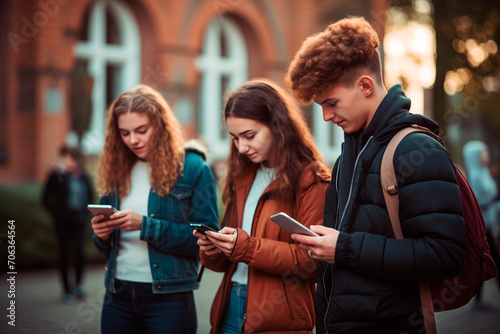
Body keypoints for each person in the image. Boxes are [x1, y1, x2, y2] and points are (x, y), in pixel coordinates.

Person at [286, 16, 466, 333]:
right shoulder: (344, 160)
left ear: (365, 86)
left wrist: (344, 248)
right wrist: (322, 246)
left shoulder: (416, 151)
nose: (326, 117)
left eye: (331, 103)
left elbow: (444, 254)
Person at [193, 78, 331, 334]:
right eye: (234, 138)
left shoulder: (312, 178)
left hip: (278, 317)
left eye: (249, 135)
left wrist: (244, 246)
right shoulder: (241, 175)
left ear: (278, 126)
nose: (241, 147)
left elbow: (313, 261)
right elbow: (227, 261)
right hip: (228, 307)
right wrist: (214, 249)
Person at [91, 84, 219, 334]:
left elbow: (206, 239)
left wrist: (147, 226)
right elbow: (103, 247)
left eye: (141, 130)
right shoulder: (116, 169)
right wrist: (101, 234)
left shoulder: (193, 168)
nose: (133, 140)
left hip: (170, 298)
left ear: (160, 125)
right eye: (124, 133)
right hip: (118, 295)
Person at [42, 145, 93, 303]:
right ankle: (66, 290)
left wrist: (85, 214)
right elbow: (45, 199)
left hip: (79, 221)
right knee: (64, 254)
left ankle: (78, 285)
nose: (71, 160)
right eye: (68, 157)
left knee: (79, 253)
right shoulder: (57, 175)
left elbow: (90, 197)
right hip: (63, 222)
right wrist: (57, 214)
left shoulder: (83, 176)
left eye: (73, 157)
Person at [462, 140, 500, 308]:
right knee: (490, 259)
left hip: (492, 222)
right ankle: (476, 299)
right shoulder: (474, 176)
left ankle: (477, 299)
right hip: (483, 226)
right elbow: (476, 204)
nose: (485, 156)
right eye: (481, 153)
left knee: (484, 260)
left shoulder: (483, 172)